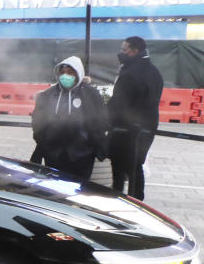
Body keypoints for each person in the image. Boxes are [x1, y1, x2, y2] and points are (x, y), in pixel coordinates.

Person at [31, 56, 108, 180]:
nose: (65, 76)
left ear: (78, 73)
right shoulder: (48, 94)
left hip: (83, 154)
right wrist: (43, 141)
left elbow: (101, 119)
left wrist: (91, 143)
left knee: (79, 189)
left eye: (70, 72)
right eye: (63, 72)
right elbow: (37, 120)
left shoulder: (90, 94)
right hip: (54, 153)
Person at [107, 36, 163, 200]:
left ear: (135, 51)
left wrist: (106, 118)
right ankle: (137, 201)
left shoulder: (132, 72)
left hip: (127, 129)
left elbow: (119, 101)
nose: (121, 53)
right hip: (145, 127)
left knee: (121, 168)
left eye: (124, 50)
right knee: (135, 167)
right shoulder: (153, 70)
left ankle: (119, 200)